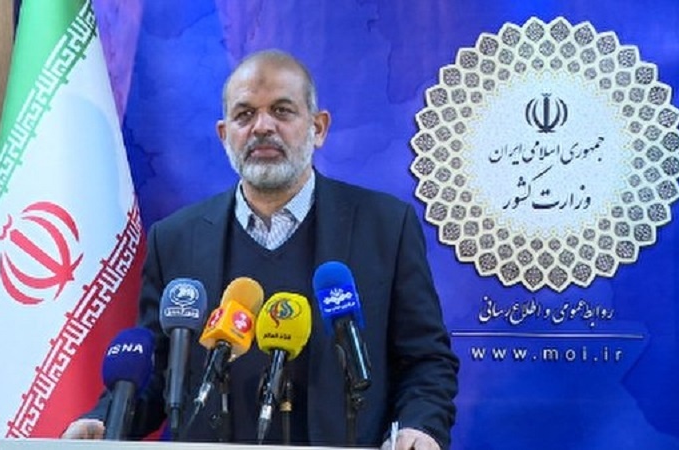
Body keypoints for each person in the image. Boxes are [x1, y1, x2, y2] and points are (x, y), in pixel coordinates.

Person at [62, 49, 459, 449]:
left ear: (318, 127)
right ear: (224, 135)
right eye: (245, 114)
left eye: (282, 111)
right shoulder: (176, 239)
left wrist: (419, 426)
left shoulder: (385, 227)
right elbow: (158, 374)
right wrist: (106, 420)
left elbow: (425, 360)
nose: (263, 126)